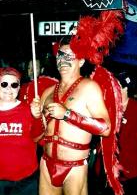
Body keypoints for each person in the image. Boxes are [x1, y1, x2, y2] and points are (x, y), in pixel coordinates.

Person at [39, 10, 124, 195]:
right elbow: (37, 135)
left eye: (70, 56)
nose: (63, 60)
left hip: (74, 167)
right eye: (60, 56)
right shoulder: (47, 92)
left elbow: (106, 128)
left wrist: (67, 114)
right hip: (46, 163)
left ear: (82, 61)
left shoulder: (89, 87)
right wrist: (35, 115)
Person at [0, 67, 44, 195]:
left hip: (26, 180)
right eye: (4, 84)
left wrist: (37, 117)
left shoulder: (28, 110)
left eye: (14, 85)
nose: (9, 89)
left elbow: (38, 137)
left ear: (19, 88)